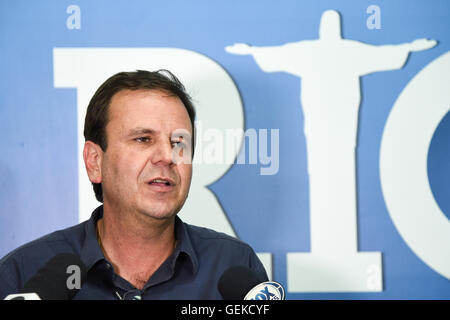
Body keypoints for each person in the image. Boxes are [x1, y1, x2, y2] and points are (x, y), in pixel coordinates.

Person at [0, 70, 268, 299]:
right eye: (143, 139)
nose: (167, 156)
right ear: (95, 162)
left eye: (179, 143)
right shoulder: (25, 274)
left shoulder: (234, 267)